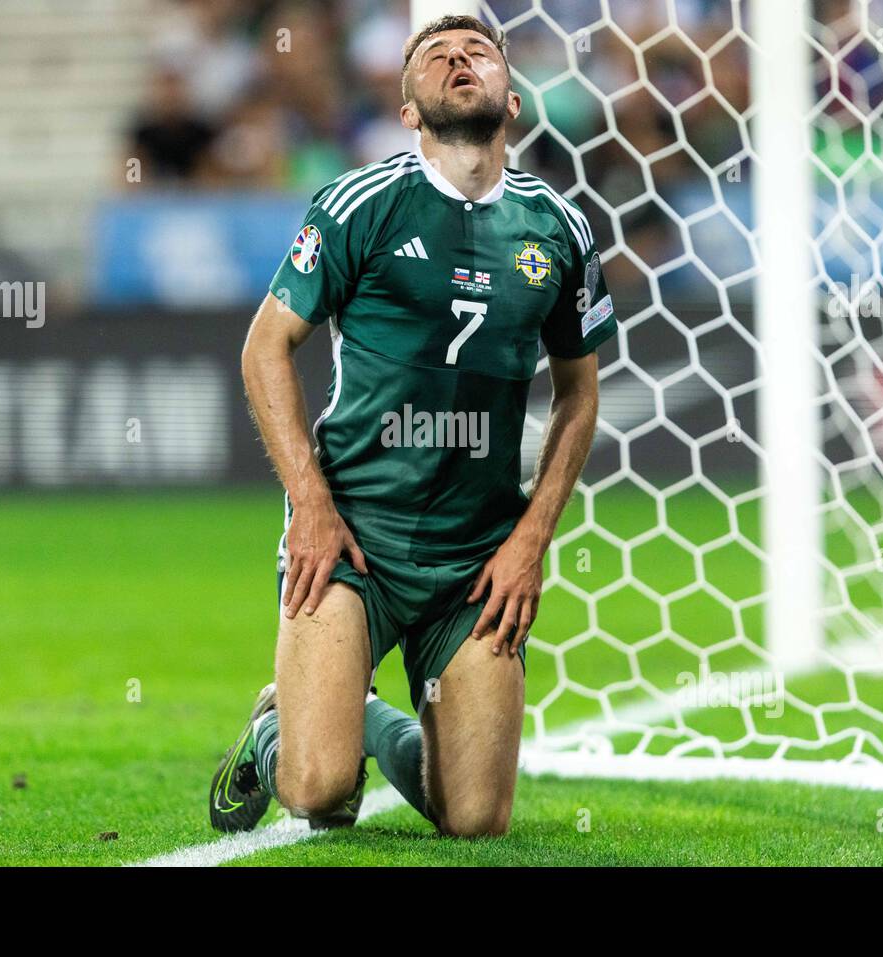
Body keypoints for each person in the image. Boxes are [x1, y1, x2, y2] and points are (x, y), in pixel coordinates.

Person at [210, 14, 617, 837]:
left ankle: (359, 712)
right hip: (355, 535)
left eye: (477, 52)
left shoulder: (559, 229)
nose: (459, 60)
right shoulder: (364, 204)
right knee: (320, 793)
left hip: (476, 552)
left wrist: (530, 540)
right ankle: (276, 725)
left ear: (510, 95)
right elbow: (264, 350)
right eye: (435, 56)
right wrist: (311, 507)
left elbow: (580, 394)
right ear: (408, 113)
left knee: (472, 819)